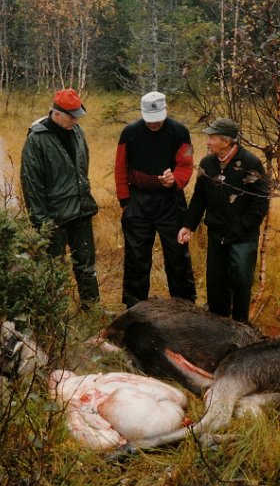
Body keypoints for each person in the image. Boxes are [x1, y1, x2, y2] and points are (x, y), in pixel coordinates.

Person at [177, 118, 269, 323]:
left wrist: (242, 226)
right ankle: (218, 327)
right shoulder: (207, 164)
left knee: (240, 281)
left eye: (212, 138)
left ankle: (240, 327)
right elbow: (199, 198)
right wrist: (188, 225)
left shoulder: (251, 163)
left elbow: (261, 202)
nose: (207, 142)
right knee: (216, 282)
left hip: (243, 237)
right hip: (216, 234)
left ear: (226, 142)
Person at [21, 88, 101, 310]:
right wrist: (41, 221)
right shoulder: (36, 140)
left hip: (82, 210)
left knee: (86, 265)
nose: (75, 121)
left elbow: (82, 168)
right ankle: (53, 313)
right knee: (53, 268)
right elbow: (31, 184)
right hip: (53, 218)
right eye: (71, 116)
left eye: (77, 116)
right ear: (56, 113)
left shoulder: (77, 132)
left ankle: (92, 309)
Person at [115, 91, 196, 309]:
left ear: (165, 112)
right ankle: (134, 307)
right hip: (138, 200)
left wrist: (174, 179)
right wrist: (125, 201)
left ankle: (185, 306)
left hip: (171, 201)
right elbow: (121, 166)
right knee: (136, 257)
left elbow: (186, 164)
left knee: (177, 255)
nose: (154, 124)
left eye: (157, 119)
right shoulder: (130, 132)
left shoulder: (180, 132)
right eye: (150, 120)